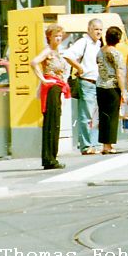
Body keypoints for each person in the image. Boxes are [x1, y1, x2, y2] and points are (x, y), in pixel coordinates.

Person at [30, 24, 70, 170]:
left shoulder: (57, 51)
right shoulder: (48, 51)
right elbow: (33, 62)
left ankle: (52, 156)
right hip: (51, 88)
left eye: (60, 36)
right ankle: (49, 158)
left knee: (55, 122)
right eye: (55, 36)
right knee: (51, 123)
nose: (58, 38)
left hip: (58, 87)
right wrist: (44, 80)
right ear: (49, 37)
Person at [63, 18, 102, 155]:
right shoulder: (83, 42)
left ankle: (93, 144)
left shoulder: (98, 44)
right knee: (86, 115)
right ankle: (86, 146)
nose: (99, 32)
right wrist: (79, 68)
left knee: (94, 116)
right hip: (86, 82)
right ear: (89, 29)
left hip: (97, 82)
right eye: (96, 29)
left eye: (100, 29)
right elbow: (67, 55)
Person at [96, 26, 127, 155]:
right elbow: (119, 74)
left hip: (100, 85)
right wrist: (123, 90)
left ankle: (104, 145)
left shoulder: (100, 51)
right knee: (112, 116)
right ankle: (109, 146)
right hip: (112, 87)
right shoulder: (116, 53)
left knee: (103, 116)